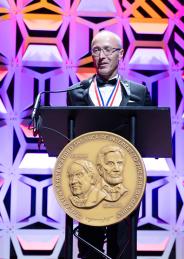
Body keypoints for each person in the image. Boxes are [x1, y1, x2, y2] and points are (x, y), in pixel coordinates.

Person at [67, 30, 152, 259]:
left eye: (107, 50)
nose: (101, 56)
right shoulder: (76, 92)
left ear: (120, 54)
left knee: (122, 245)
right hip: (89, 179)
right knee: (89, 245)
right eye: (96, 50)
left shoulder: (138, 92)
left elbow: (148, 135)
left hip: (126, 178)